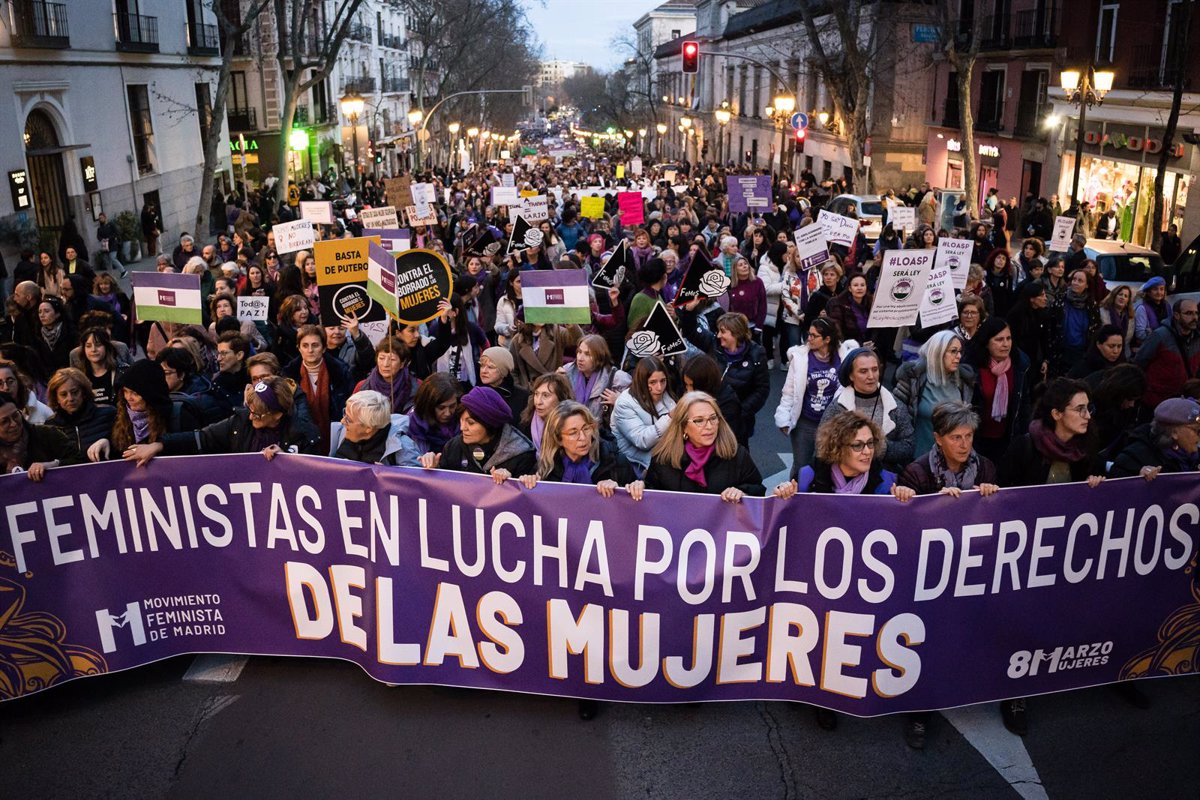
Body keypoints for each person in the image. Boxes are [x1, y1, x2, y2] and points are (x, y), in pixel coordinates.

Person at [122, 376, 322, 464]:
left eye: (257, 414)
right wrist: (158, 445)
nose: (250, 416)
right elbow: (201, 438)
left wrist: (287, 459)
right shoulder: (240, 422)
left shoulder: (304, 434)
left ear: (277, 415)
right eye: (250, 410)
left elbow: (314, 477)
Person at [629, 391, 764, 502]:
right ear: (683, 427)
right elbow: (651, 500)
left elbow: (758, 491)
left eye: (713, 418)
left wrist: (743, 494)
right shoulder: (663, 459)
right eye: (699, 421)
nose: (709, 426)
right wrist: (640, 487)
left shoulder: (737, 455)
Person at [677, 308, 770, 445]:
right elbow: (691, 332)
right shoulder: (713, 345)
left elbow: (762, 389)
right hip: (708, 415)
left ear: (736, 334)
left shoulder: (756, 354)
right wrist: (689, 312)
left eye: (723, 331)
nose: (718, 335)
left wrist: (740, 411)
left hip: (737, 422)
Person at [776, 317, 857, 469]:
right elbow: (789, 391)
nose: (809, 338)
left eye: (814, 336)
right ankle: (797, 492)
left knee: (826, 467)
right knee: (802, 466)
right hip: (805, 422)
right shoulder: (800, 358)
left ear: (827, 339)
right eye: (809, 334)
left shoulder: (844, 359)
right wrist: (783, 417)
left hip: (832, 425)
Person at [819, 347, 915, 471]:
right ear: (851, 376)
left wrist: (878, 448)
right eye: (863, 371)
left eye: (875, 370)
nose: (871, 376)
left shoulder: (895, 406)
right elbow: (822, 448)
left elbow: (909, 446)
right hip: (846, 479)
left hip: (886, 479)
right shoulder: (838, 408)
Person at [86, 358, 197, 461]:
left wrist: (159, 447)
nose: (129, 398)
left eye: (135, 393)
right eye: (125, 391)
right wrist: (107, 442)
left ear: (150, 394)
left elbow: (192, 450)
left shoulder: (179, 415)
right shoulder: (123, 417)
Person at [418, 385, 537, 480]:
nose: (462, 428)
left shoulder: (522, 454)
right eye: (461, 420)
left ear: (489, 424)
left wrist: (511, 483)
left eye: (470, 423)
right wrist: (434, 468)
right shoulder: (454, 447)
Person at [517, 400, 635, 493]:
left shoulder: (615, 461)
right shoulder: (547, 467)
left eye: (586, 429)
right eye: (573, 433)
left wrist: (619, 489)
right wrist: (527, 483)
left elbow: (639, 501)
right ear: (558, 439)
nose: (583, 437)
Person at [893, 331, 976, 457]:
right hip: (918, 458)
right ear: (938, 352)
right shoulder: (914, 378)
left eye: (960, 351)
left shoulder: (964, 382)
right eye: (953, 351)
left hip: (952, 459)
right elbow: (897, 418)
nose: (958, 356)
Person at [283, 324, 354, 453]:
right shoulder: (288, 375)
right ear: (298, 348)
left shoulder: (341, 372)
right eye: (305, 345)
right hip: (300, 442)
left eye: (315, 345)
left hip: (335, 437)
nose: (310, 350)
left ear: (324, 348)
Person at [968, 318, 1031, 461]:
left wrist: (1023, 437)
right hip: (976, 440)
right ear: (986, 342)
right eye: (999, 339)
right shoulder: (972, 369)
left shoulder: (1019, 367)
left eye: (1009, 338)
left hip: (1007, 439)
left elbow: (1024, 406)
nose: (1006, 344)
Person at [611, 356, 677, 477]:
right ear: (641, 382)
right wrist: (670, 418)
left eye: (663, 381)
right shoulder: (625, 403)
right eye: (653, 382)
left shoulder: (666, 394)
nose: (659, 387)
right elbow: (642, 440)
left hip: (662, 458)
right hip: (634, 465)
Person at [1108, 397, 1200, 479]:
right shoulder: (1135, 459)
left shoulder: (1195, 456)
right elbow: (1116, 489)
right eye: (1197, 430)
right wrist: (1138, 478)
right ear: (1174, 433)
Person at [0, 391, 83, 480]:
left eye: (15, 415)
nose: (13, 424)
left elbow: (80, 460)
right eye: (4, 421)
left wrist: (54, 464)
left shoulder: (47, 435)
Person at [1134, 299, 1199, 408]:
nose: (1195, 317)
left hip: (1184, 401)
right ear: (1177, 315)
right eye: (1189, 313)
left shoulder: (1197, 338)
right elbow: (1139, 363)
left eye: (1196, 313)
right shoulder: (1159, 336)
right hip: (1157, 401)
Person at [328, 389, 420, 466]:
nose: (342, 421)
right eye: (345, 413)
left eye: (349, 419)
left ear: (368, 428)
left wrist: (386, 477)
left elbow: (416, 484)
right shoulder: (343, 432)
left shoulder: (402, 449)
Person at [43, 368, 117, 455]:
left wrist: (107, 442)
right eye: (63, 395)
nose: (70, 398)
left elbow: (123, 448)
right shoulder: (50, 425)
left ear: (84, 393)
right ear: (56, 398)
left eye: (74, 392)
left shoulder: (108, 414)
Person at [561, 334, 629, 425]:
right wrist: (557, 382)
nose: (580, 358)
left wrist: (620, 401)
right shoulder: (567, 371)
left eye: (587, 354)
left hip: (603, 434)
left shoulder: (617, 379)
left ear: (599, 356)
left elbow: (636, 410)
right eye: (579, 352)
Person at [398, 372, 461, 456]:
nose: (448, 413)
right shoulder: (412, 425)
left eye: (452, 406)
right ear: (428, 405)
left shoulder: (463, 420)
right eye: (441, 408)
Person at [353, 336, 417, 415]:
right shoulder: (362, 386)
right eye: (381, 358)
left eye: (392, 359)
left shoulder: (417, 387)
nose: (385, 364)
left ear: (402, 364)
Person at [823, 274, 873, 347]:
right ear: (850, 288)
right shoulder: (838, 304)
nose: (859, 288)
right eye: (855, 285)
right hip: (848, 347)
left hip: (869, 345)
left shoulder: (871, 303)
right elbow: (837, 330)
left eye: (862, 285)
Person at [0, 358, 52, 422]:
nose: (6, 387)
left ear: (18, 382)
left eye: (10, 381)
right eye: (0, 383)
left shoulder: (43, 412)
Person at [34, 295, 75, 371]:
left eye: (46, 311)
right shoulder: (38, 335)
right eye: (40, 312)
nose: (42, 315)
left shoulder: (70, 333)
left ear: (57, 314)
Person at [1133, 276, 1171, 350]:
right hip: (1149, 347)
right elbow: (1140, 333)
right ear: (1148, 292)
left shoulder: (1167, 306)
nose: (1159, 292)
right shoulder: (1142, 308)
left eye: (1161, 289)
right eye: (1155, 289)